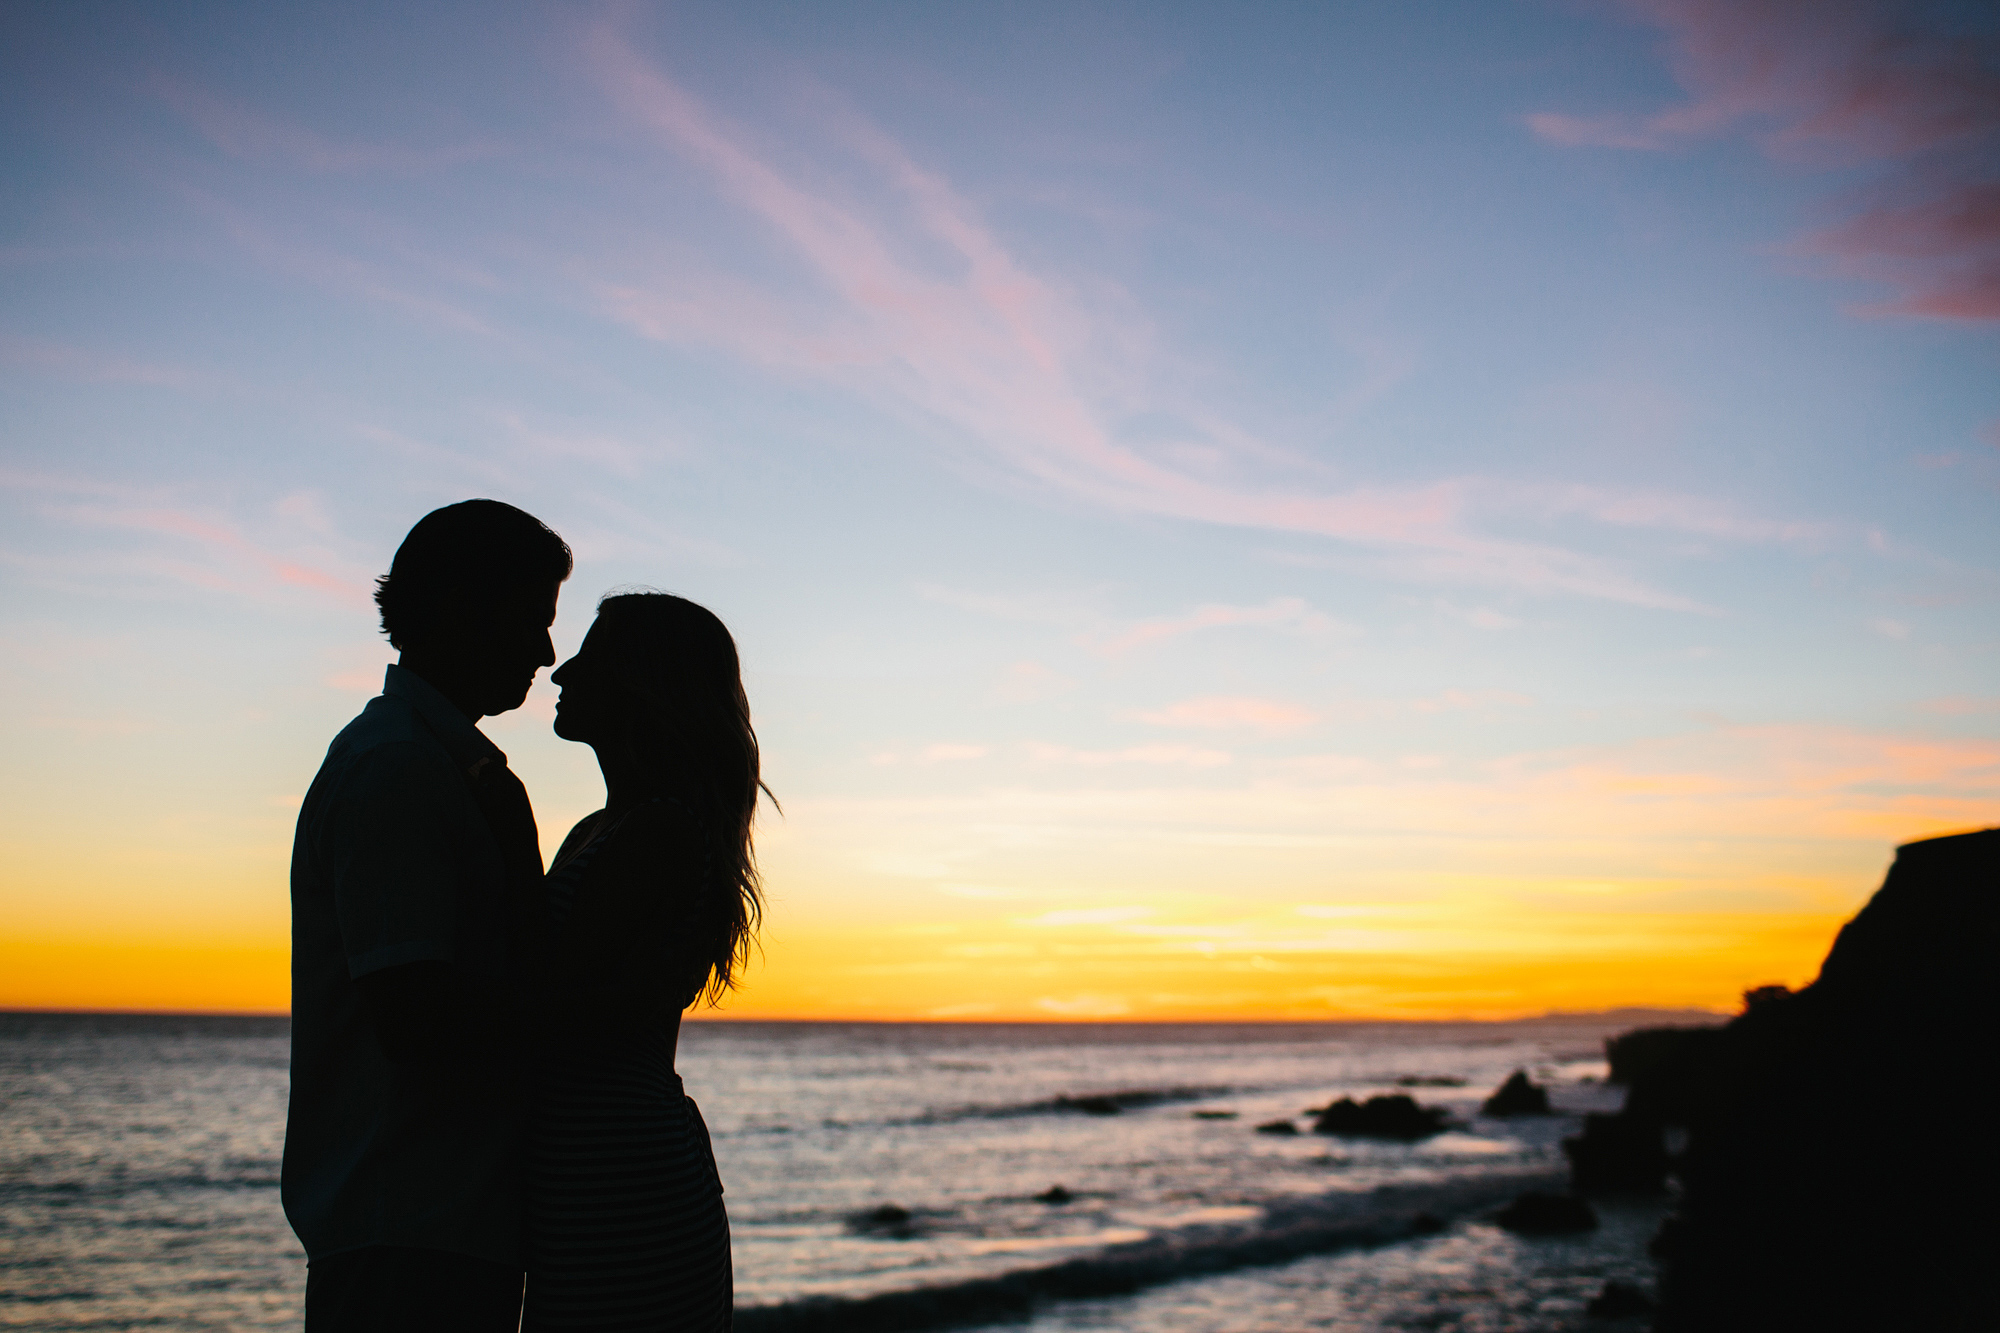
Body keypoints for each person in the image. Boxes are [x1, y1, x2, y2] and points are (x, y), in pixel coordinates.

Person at [283, 499, 572, 1332]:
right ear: (462, 608)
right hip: (407, 1231)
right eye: (530, 618)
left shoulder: (435, 764)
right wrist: (589, 1012)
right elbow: (416, 1014)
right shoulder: (400, 769)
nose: (546, 652)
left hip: (435, 1226)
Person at [522, 591, 768, 1332]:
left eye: (590, 658)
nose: (562, 673)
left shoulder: (658, 832)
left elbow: (553, 1002)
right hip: (593, 1168)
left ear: (640, 683)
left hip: (621, 1173)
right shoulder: (606, 827)